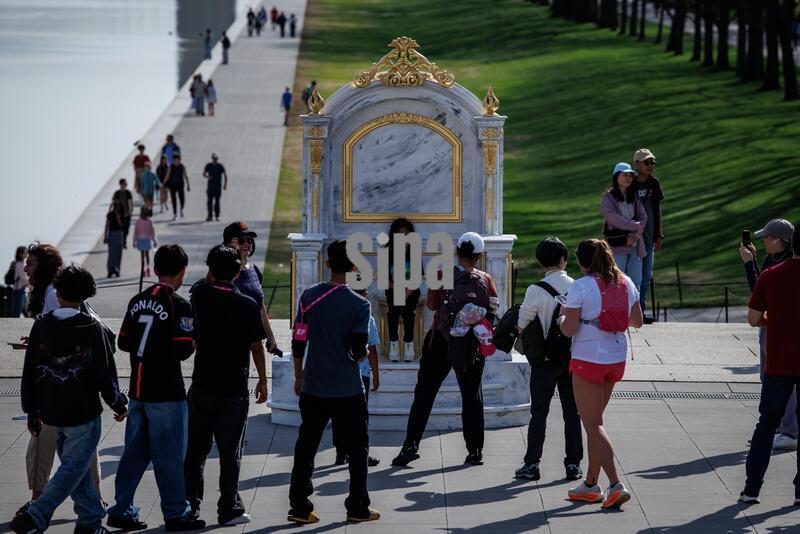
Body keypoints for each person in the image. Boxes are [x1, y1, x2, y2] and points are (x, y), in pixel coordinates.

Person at [11, 266, 128, 534]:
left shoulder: (41, 325)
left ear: (58, 291)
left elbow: (30, 373)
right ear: (87, 294)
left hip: (50, 411)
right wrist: (119, 403)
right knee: (74, 468)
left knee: (78, 471)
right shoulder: (91, 327)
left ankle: (89, 522)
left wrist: (31, 411)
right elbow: (104, 373)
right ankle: (36, 515)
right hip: (83, 413)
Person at [106, 245, 205, 532]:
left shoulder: (137, 300)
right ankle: (176, 513)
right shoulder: (179, 304)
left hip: (138, 391)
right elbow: (183, 350)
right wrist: (193, 340)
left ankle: (121, 508)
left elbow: (124, 342)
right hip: (167, 393)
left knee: (133, 457)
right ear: (182, 272)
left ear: (156, 269)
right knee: (170, 457)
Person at [288, 240, 379, 524]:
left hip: (314, 383)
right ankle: (357, 506)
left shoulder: (308, 296)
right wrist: (362, 352)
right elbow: (357, 350)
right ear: (354, 267)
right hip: (348, 388)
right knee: (358, 447)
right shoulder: (360, 305)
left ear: (328, 264)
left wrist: (299, 375)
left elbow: (299, 339)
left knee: (306, 446)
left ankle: (300, 507)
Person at [392, 232, 498, 467]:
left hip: (440, 339)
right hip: (471, 343)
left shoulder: (441, 275)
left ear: (457, 252)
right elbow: (493, 307)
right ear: (479, 256)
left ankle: (410, 446)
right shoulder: (486, 279)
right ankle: (475, 451)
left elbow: (431, 304)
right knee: (472, 396)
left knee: (424, 394)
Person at [184, 245, 268, 526]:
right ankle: (228, 506)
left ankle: (190, 504)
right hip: (233, 386)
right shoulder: (246, 304)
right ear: (236, 273)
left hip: (203, 383)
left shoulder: (200, 296)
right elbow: (256, 346)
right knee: (230, 452)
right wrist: (263, 381)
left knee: (196, 450)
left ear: (210, 269)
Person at [560, 239, 643, 509]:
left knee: (592, 425)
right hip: (616, 355)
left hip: (588, 357)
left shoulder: (580, 286)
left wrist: (563, 316)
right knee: (596, 423)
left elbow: (569, 330)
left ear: (583, 263)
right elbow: (637, 322)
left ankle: (615, 484)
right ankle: (590, 484)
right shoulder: (626, 282)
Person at [513, 237, 583, 482]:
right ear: (563, 260)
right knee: (572, 413)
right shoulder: (577, 286)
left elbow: (521, 323)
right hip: (572, 359)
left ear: (541, 262)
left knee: (539, 413)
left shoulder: (535, 290)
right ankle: (573, 464)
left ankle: (532, 464)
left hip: (544, 360)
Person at [740, 224, 800, 505]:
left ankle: (752, 489)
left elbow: (754, 318)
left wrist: (773, 321)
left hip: (779, 361)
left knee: (766, 426)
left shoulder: (771, 276)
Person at [333, 288, 381, 467]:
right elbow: (373, 350)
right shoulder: (367, 318)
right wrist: (376, 374)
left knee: (339, 414)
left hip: (340, 371)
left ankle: (341, 452)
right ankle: (360, 453)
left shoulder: (338, 315)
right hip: (361, 373)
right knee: (360, 417)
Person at [223, 222, 278, 350]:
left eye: (250, 240)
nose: (247, 244)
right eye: (241, 240)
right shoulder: (224, 272)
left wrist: (270, 337)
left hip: (252, 342)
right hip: (230, 342)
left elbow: (260, 306)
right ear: (228, 244)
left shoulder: (255, 270)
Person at [600, 162, 647, 290]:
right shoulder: (607, 198)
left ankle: (635, 310)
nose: (628, 178)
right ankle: (620, 310)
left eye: (630, 176)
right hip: (617, 247)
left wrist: (634, 235)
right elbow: (614, 220)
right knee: (617, 282)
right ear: (616, 177)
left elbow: (643, 218)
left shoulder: (634, 197)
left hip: (636, 245)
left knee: (636, 283)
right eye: (624, 175)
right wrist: (634, 226)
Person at [631, 148, 664, 321]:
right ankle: (630, 311)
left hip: (649, 238)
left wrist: (659, 234)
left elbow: (657, 210)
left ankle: (640, 312)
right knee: (633, 278)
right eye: (646, 162)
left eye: (652, 162)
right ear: (636, 164)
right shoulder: (630, 182)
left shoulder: (654, 183)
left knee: (646, 277)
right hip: (633, 239)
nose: (650, 165)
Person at [384, 218, 421, 362]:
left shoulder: (414, 252)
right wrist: (397, 289)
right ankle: (393, 343)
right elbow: (384, 278)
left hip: (412, 291)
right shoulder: (388, 252)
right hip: (393, 290)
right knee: (392, 312)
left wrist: (407, 292)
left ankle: (408, 343)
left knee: (407, 312)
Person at [133, 207, 157, 278]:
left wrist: (154, 240)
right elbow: (136, 232)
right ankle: (143, 269)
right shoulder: (138, 221)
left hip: (147, 239)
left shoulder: (149, 221)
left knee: (146, 254)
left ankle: (148, 268)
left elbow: (152, 232)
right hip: (141, 239)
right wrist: (134, 241)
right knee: (142, 255)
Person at [165, 154, 190, 220]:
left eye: (177, 160)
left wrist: (188, 185)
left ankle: (181, 209)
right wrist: (164, 183)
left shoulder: (182, 167)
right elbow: (167, 175)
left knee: (182, 198)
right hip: (172, 185)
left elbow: (185, 176)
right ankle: (175, 213)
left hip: (180, 185)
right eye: (174, 160)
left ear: (179, 160)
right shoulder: (171, 167)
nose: (176, 161)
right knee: (174, 200)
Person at [204, 153, 227, 221]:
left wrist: (225, 185)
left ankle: (217, 216)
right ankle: (210, 216)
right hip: (210, 187)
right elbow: (204, 174)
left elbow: (225, 175)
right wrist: (207, 176)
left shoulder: (220, 166)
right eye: (214, 159)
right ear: (212, 159)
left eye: (216, 159)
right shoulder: (208, 165)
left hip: (218, 187)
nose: (215, 160)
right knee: (209, 202)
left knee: (217, 202)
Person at [112, 178, 134, 248]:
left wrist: (131, 211)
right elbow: (114, 203)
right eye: (124, 183)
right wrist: (115, 213)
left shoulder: (128, 192)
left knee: (126, 230)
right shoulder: (117, 193)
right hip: (119, 215)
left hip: (127, 214)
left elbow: (130, 202)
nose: (126, 185)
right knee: (119, 229)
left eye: (126, 183)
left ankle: (124, 242)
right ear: (121, 184)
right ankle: (120, 242)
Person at [105, 202, 125, 278]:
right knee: (111, 253)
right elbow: (107, 225)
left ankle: (117, 269)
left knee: (118, 253)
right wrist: (105, 236)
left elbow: (121, 225)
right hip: (112, 234)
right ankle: (110, 270)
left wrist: (118, 217)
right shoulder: (110, 214)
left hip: (119, 234)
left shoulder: (121, 214)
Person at [9, 246, 28, 317]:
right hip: (19, 289)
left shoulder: (20, 263)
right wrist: (30, 283)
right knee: (17, 310)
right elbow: (23, 277)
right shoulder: (20, 264)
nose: (27, 254)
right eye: (25, 253)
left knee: (25, 308)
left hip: (21, 288)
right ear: (20, 254)